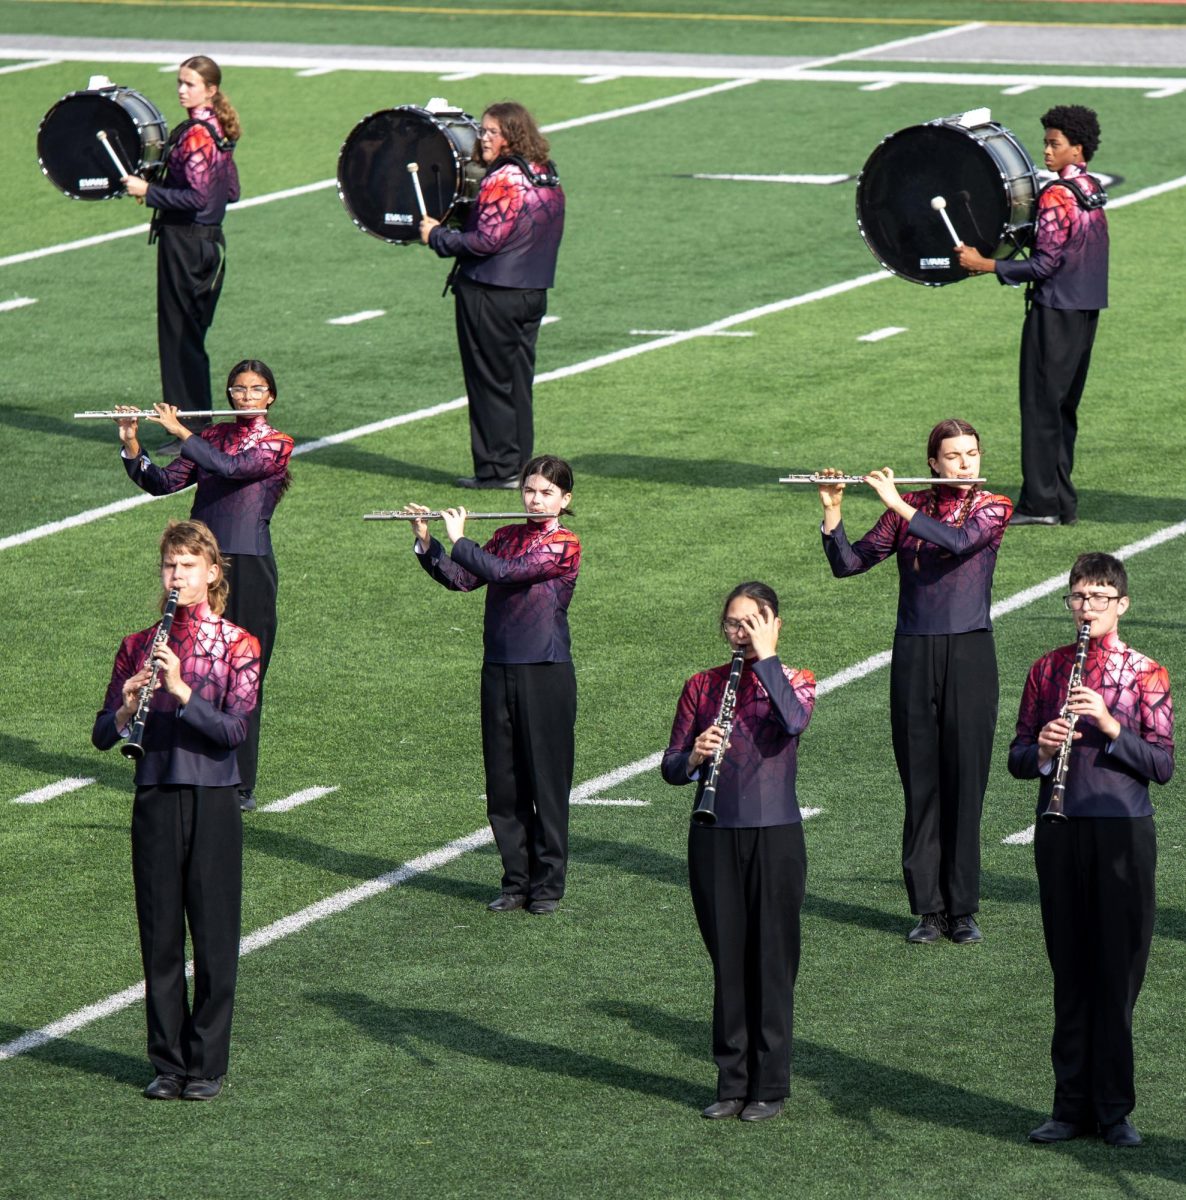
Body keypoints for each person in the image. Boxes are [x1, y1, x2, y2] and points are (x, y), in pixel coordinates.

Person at [818, 419, 1012, 944]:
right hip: (913, 652)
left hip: (970, 652)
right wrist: (833, 510)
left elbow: (957, 542)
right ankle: (927, 909)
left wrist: (899, 504)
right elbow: (849, 564)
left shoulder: (994, 506)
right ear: (933, 463)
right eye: (953, 456)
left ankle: (963, 908)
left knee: (965, 782)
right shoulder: (909, 509)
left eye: (972, 453)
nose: (965, 463)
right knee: (920, 783)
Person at [92, 519, 260, 1101]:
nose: (176, 576)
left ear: (212, 573)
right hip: (156, 796)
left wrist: (185, 694)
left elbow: (235, 728)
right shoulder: (138, 644)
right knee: (160, 936)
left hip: (213, 799)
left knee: (213, 939)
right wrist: (126, 708)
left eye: (188, 566)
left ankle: (207, 1066)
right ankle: (167, 1063)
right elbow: (100, 733)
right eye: (169, 565)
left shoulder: (240, 644)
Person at [1009, 553, 1173, 1147]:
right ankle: (1069, 1105)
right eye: (1079, 597)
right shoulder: (1046, 671)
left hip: (1123, 833)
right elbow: (1017, 758)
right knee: (1071, 970)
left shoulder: (1147, 673)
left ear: (1121, 604)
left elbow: (1162, 766)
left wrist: (1109, 726)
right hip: (1060, 829)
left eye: (1100, 597)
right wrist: (1046, 750)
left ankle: (1114, 1110)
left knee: (1117, 973)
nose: (1087, 608)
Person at [661, 582, 815, 1122]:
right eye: (733, 623)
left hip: (774, 836)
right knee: (727, 960)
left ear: (773, 625)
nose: (740, 632)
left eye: (752, 622)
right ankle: (732, 1082)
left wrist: (767, 660)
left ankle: (769, 1086)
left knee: (771, 961)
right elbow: (671, 766)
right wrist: (695, 756)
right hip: (713, 833)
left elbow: (794, 721)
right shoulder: (701, 686)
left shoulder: (796, 679)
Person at [114, 359, 293, 810]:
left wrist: (180, 431)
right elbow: (161, 482)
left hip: (248, 567)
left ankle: (240, 784)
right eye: (238, 389)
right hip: (202, 566)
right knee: (192, 663)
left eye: (256, 390)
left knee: (243, 671)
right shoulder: (210, 437)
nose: (246, 397)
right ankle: (189, 765)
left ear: (270, 396)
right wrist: (133, 443)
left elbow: (231, 469)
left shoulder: (277, 443)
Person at [404, 455, 580, 912]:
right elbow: (464, 579)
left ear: (565, 500)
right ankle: (515, 882)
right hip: (498, 668)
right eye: (529, 490)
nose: (535, 499)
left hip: (544, 671)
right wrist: (430, 541)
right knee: (504, 782)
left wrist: (460, 538)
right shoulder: (505, 536)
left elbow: (507, 573)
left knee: (546, 780)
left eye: (546, 492)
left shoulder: (564, 543)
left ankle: (547, 887)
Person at [957, 106, 1108, 527]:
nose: (1045, 150)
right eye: (1045, 142)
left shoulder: (1059, 194)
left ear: (1076, 149)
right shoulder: (1090, 188)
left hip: (1055, 311)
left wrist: (984, 263)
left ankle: (1041, 504)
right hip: (1085, 310)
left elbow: (1044, 265)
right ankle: (1063, 501)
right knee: (1062, 410)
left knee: (1041, 409)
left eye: (1054, 143)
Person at [419, 101, 565, 490]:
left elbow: (485, 240)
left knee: (488, 384)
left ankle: (497, 469)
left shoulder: (504, 178)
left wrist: (437, 235)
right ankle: (520, 467)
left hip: (491, 293)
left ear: (510, 136)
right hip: (532, 291)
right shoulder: (545, 173)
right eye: (482, 131)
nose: (482, 138)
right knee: (517, 383)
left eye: (490, 132)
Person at [122, 55, 240, 437]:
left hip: (184, 244)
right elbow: (231, 192)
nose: (181, 90)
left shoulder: (195, 133)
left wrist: (149, 191)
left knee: (177, 341)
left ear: (211, 89)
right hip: (208, 245)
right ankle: (199, 425)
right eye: (179, 82)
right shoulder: (218, 128)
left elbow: (197, 197)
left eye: (189, 84)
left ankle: (185, 431)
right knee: (190, 341)